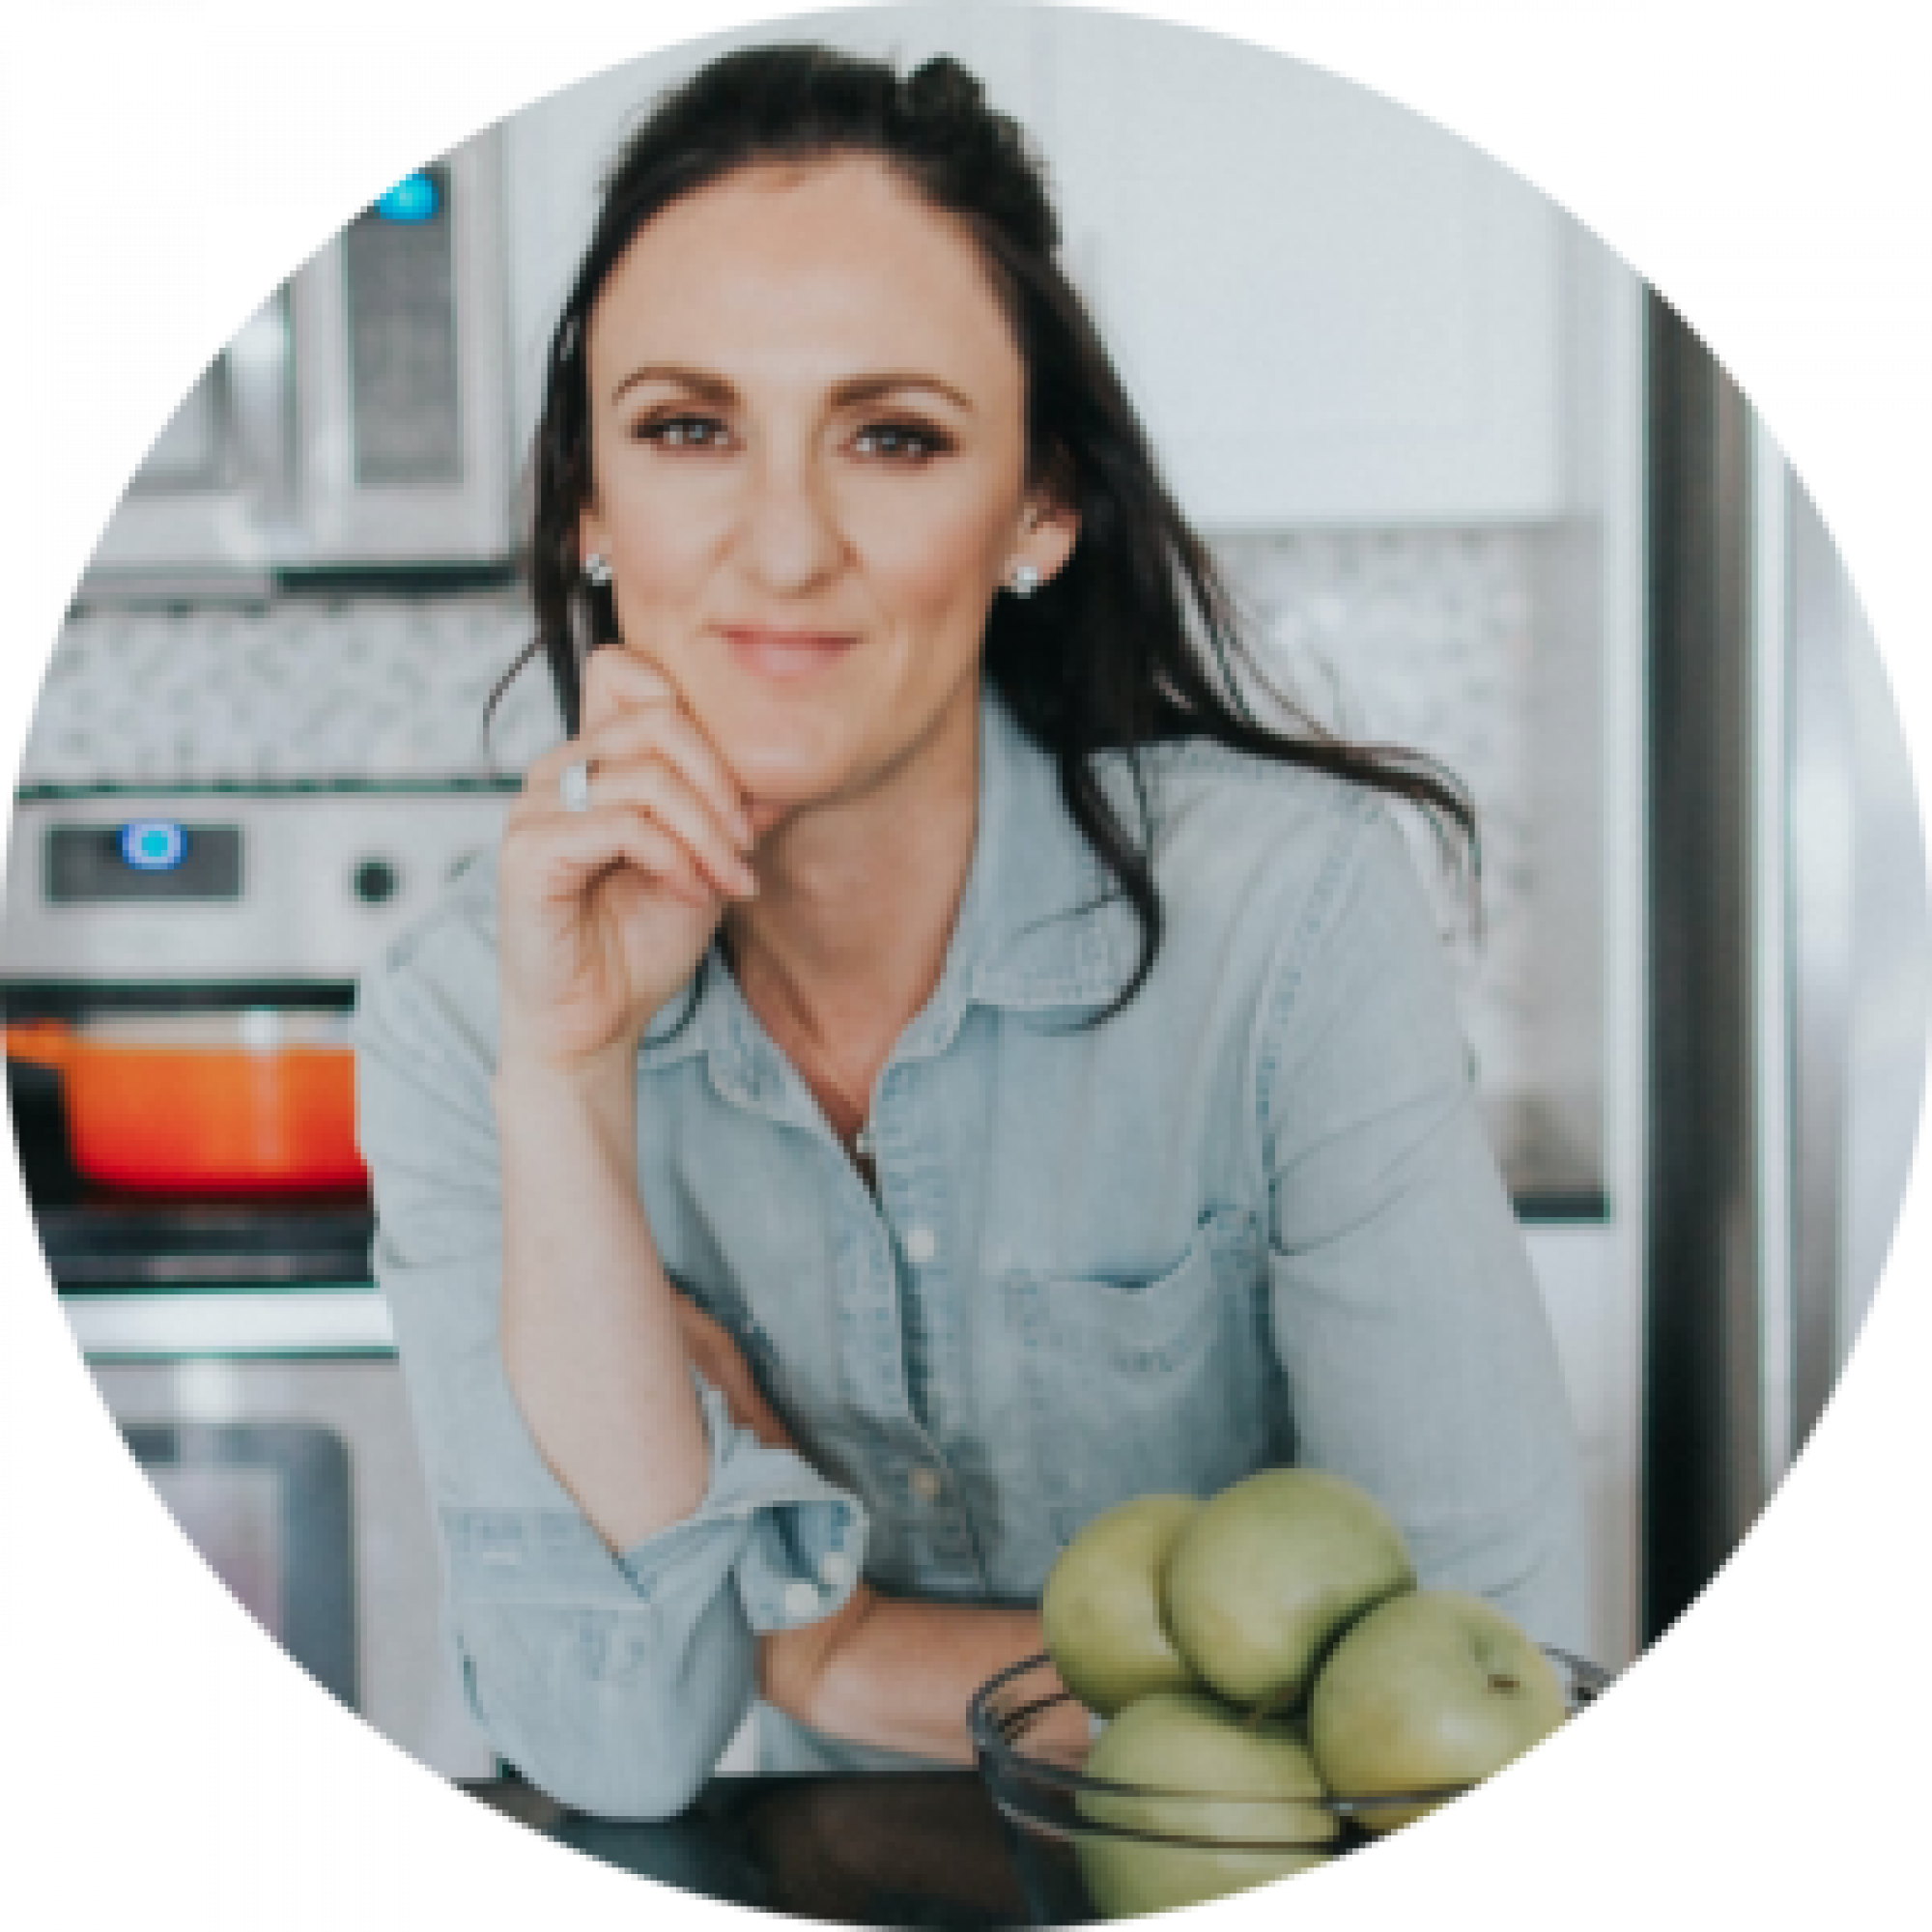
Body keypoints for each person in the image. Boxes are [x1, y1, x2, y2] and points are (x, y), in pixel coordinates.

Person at [352, 41, 1589, 1820]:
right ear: (590, 505)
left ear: (1038, 508)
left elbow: (1478, 1709)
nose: (782, 549)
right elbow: (612, 1742)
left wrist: (837, 1652)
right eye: (690, 429)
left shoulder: (1289, 925)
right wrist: (566, 1080)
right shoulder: (466, 1013)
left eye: (893, 435)